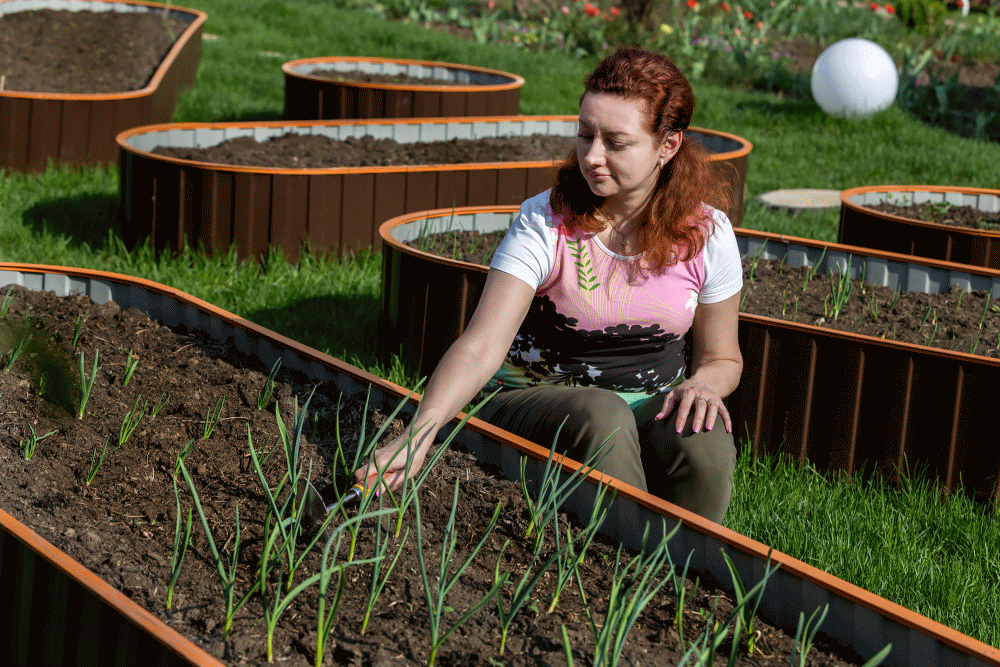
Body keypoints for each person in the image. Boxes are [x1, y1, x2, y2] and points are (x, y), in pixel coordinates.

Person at [356, 46, 744, 524]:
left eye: (615, 143)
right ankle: (629, 559)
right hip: (529, 406)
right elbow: (481, 346)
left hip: (646, 410)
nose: (592, 156)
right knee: (602, 416)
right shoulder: (545, 223)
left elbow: (721, 358)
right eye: (585, 135)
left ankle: (696, 571)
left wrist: (704, 385)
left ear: (668, 145)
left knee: (703, 437)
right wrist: (419, 436)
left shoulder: (708, 233)